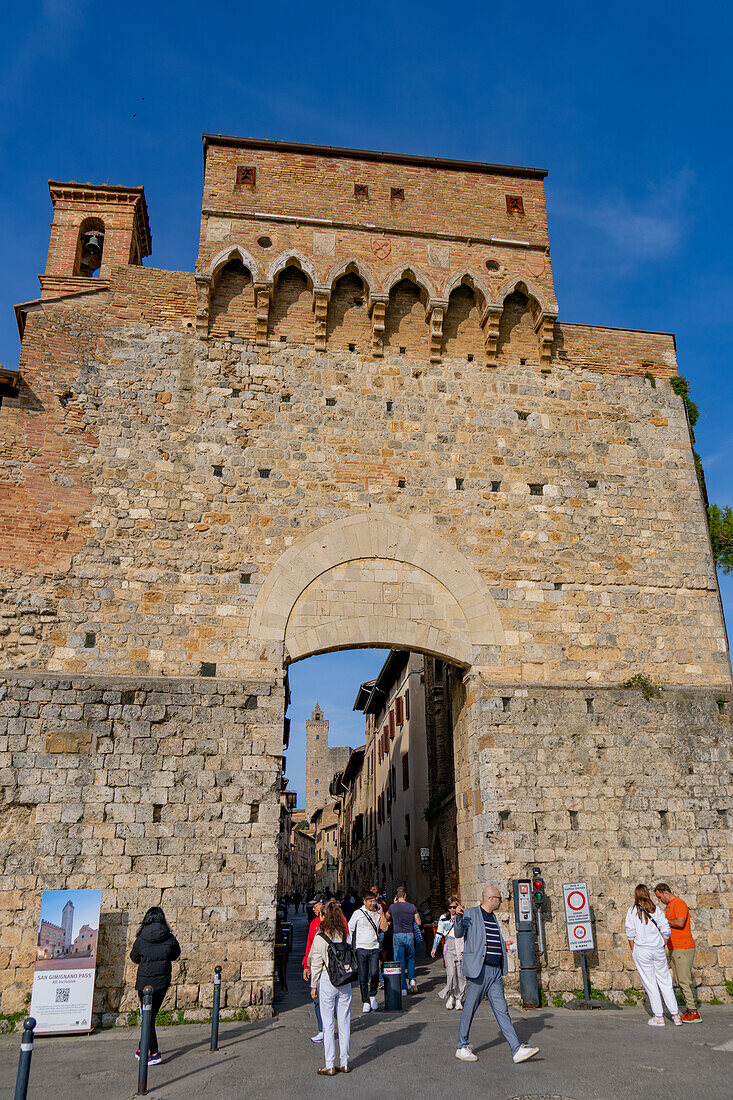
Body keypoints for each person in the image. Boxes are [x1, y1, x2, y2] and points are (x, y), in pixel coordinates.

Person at [454, 886, 539, 1064]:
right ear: (492, 899)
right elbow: (459, 932)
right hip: (479, 970)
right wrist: (459, 917)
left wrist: (502, 945)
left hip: (495, 971)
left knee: (502, 1011)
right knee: (469, 1008)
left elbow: (487, 939)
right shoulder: (471, 913)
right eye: (500, 899)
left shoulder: (492, 918)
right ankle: (462, 1046)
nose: (501, 902)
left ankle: (516, 1050)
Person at [129, 906, 181, 1066]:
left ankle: (155, 1052)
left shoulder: (141, 938)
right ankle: (142, 1048)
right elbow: (175, 954)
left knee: (147, 1018)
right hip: (162, 982)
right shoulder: (169, 937)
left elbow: (134, 958)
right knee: (150, 1017)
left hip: (144, 983)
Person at [625, 883, 682, 1028]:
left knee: (650, 983)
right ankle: (676, 1016)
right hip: (658, 949)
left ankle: (659, 1017)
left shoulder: (632, 911)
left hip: (642, 949)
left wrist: (634, 951)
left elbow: (630, 934)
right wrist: (664, 941)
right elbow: (666, 928)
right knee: (665, 981)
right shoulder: (656, 909)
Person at [309, 900, 353, 1075]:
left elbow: (316, 964)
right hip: (344, 980)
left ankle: (329, 1064)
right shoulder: (343, 934)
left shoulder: (320, 936)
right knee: (344, 1020)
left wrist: (313, 985)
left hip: (327, 980)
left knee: (327, 1023)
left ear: (324, 916)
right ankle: (344, 1063)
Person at [654, 882, 700, 1022]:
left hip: (683, 947)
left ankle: (693, 1012)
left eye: (660, 897)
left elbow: (680, 923)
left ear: (665, 893)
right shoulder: (669, 906)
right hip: (675, 947)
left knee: (684, 980)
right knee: (680, 980)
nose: (659, 900)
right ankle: (689, 1009)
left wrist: (663, 921)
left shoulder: (679, 904)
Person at [348, 890, 382, 1013]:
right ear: (365, 901)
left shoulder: (377, 914)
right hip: (361, 948)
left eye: (374, 900)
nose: (373, 903)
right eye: (370, 901)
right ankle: (365, 1001)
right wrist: (350, 945)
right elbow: (350, 928)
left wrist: (382, 914)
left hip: (374, 947)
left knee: (374, 973)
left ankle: (372, 995)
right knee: (362, 976)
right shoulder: (358, 913)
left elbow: (383, 927)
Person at [432, 896, 466, 1010]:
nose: (452, 909)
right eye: (450, 907)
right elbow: (439, 933)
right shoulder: (443, 918)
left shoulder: (462, 917)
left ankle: (459, 998)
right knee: (451, 973)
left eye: (454, 907)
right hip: (449, 946)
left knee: (460, 975)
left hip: (460, 945)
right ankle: (450, 995)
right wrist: (434, 948)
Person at [385, 886, 421, 993]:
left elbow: (387, 917)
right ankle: (412, 979)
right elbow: (418, 922)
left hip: (397, 935)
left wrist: (394, 904)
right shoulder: (412, 907)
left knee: (399, 961)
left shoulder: (392, 907)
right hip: (409, 934)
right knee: (410, 958)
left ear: (396, 896)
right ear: (405, 895)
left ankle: (403, 987)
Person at [302, 894, 327, 1043]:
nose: (313, 908)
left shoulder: (337, 921)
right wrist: (306, 965)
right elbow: (309, 945)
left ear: (322, 905)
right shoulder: (314, 923)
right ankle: (322, 1029)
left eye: (316, 905)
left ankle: (332, 1026)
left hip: (332, 968)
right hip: (317, 967)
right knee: (316, 998)